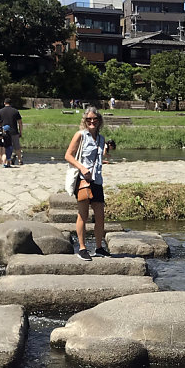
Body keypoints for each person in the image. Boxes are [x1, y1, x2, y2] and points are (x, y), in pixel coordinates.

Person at [64, 106, 110, 261]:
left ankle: (99, 247)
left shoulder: (101, 138)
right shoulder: (80, 135)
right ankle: (82, 248)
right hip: (83, 180)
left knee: (100, 215)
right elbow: (68, 156)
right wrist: (82, 167)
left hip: (97, 180)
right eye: (89, 119)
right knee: (83, 214)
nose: (92, 122)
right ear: (85, 120)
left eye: (94, 119)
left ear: (99, 120)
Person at [0, 97, 23, 166]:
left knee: (7, 147)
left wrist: (1, 127)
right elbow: (20, 122)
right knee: (17, 147)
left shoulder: (1, 111)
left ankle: (7, 161)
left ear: (4, 103)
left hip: (5, 132)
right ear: (11, 103)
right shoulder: (15, 111)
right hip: (14, 131)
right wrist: (20, 132)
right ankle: (20, 160)